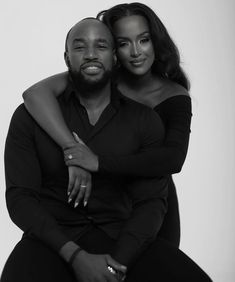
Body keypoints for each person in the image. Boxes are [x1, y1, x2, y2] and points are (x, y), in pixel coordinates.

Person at [2, 18, 211, 282]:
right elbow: (20, 199)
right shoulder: (30, 117)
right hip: (52, 240)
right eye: (80, 47)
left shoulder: (145, 120)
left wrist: (116, 264)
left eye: (101, 46)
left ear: (113, 57)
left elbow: (150, 202)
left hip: (124, 238)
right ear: (66, 57)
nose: (90, 54)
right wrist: (75, 256)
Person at [23, 2, 192, 247]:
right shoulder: (102, 77)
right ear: (113, 50)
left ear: (156, 41)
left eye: (143, 40)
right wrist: (73, 152)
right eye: (124, 43)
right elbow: (35, 95)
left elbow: (173, 159)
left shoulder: (174, 96)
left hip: (150, 203)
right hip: (100, 204)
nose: (135, 52)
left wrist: (97, 162)